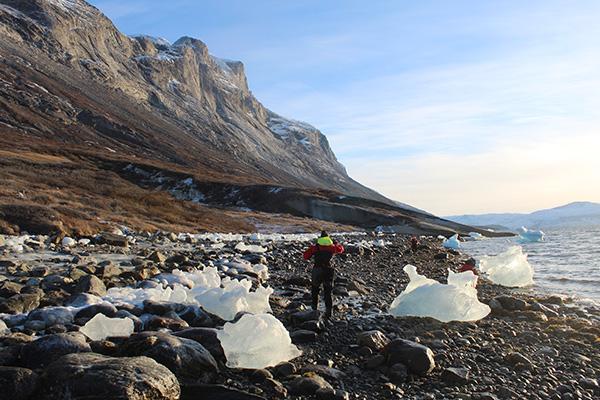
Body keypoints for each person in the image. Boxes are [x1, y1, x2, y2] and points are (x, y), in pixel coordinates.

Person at [303, 231, 344, 318]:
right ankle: (329, 313)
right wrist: (336, 244)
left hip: (317, 270)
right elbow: (341, 249)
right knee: (328, 292)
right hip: (329, 270)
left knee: (315, 289)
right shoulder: (332, 247)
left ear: (320, 238)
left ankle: (314, 310)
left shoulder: (316, 247)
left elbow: (305, 256)